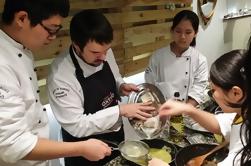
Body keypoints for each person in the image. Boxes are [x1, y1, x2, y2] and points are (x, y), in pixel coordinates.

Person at [0, 1, 112, 166]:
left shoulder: (20, 47)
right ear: (22, 18)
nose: (53, 37)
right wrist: (80, 148)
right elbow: (11, 143)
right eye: (51, 30)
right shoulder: (3, 63)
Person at [47, 9, 155, 166]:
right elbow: (76, 125)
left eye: (106, 50)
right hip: (84, 147)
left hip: (115, 135)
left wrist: (121, 86)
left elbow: (114, 75)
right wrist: (121, 110)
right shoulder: (60, 76)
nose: (104, 57)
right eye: (96, 52)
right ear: (76, 45)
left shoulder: (103, 51)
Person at [148, 48, 251, 166]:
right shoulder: (243, 114)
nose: (213, 94)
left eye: (214, 90)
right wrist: (188, 109)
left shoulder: (244, 148)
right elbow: (221, 124)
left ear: (236, 93)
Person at [145, 10, 208, 106]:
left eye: (188, 32)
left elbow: (199, 88)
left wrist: (184, 110)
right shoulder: (157, 57)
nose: (182, 37)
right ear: (172, 31)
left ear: (195, 33)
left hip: (187, 111)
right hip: (162, 110)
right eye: (178, 31)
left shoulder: (200, 60)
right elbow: (150, 87)